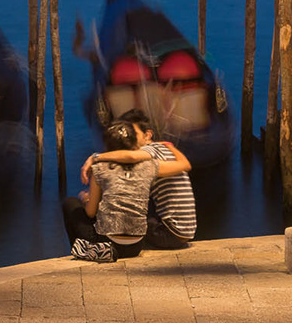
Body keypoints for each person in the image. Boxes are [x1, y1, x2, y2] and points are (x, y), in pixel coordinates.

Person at [80, 108, 194, 250]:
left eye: (132, 134)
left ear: (147, 135)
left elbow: (131, 157)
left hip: (168, 232)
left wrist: (96, 158)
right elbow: (185, 164)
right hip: (183, 232)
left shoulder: (150, 150)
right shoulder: (162, 149)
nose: (129, 138)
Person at [62, 120, 154, 263]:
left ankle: (84, 250)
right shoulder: (149, 166)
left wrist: (86, 199)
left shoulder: (100, 169)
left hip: (109, 244)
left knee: (70, 203)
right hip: (136, 245)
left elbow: (90, 212)